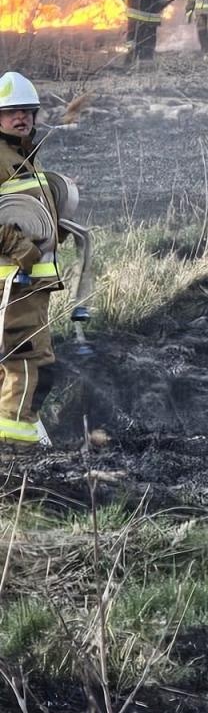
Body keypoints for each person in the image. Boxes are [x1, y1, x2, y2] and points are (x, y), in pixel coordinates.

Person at [0, 73, 64, 447]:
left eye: (26, 110)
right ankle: (16, 452)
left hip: (30, 287)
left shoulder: (23, 156)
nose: (21, 117)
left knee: (13, 366)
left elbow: (26, 211)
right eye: (11, 112)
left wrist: (56, 230)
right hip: (14, 285)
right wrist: (19, 246)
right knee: (27, 364)